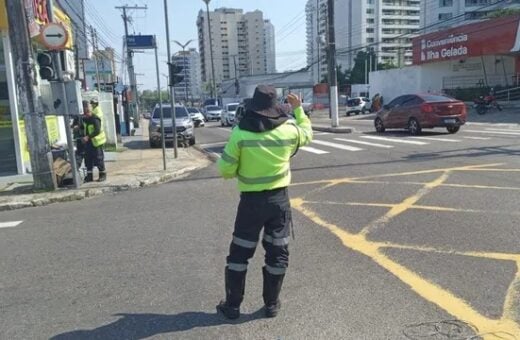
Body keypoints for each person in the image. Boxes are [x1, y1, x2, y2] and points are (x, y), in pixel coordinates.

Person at [216, 85, 313, 320]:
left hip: (250, 203)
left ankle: (232, 306)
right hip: (279, 202)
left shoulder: (240, 133)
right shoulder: (289, 130)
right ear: (274, 107)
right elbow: (307, 135)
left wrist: (241, 168)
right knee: (277, 252)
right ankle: (271, 304)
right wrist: (299, 110)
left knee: (240, 254)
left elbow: (225, 169)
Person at [82, 100, 107, 182]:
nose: (86, 114)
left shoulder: (95, 118)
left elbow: (97, 130)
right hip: (88, 143)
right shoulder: (85, 119)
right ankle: (89, 176)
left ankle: (102, 175)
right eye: (85, 113)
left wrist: (88, 137)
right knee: (88, 160)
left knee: (99, 159)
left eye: (87, 112)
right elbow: (84, 127)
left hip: (96, 142)